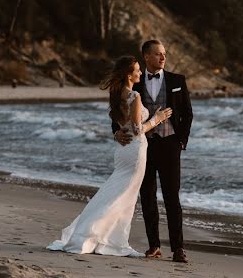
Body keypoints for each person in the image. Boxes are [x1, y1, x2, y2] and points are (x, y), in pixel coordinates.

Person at [48, 55, 172, 256]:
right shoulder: (134, 96)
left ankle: (108, 238)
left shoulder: (117, 94)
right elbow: (137, 129)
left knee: (115, 193)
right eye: (137, 70)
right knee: (123, 196)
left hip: (123, 150)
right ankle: (103, 238)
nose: (140, 72)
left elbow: (122, 125)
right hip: (135, 149)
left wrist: (118, 132)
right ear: (128, 74)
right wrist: (157, 119)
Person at [113, 39, 193, 263]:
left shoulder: (177, 80)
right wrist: (115, 132)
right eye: (158, 54)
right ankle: (154, 246)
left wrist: (181, 142)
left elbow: (187, 113)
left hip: (170, 146)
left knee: (171, 198)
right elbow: (118, 112)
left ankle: (178, 249)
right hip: (143, 147)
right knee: (147, 197)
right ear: (146, 57)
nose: (163, 57)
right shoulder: (135, 83)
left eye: (164, 54)